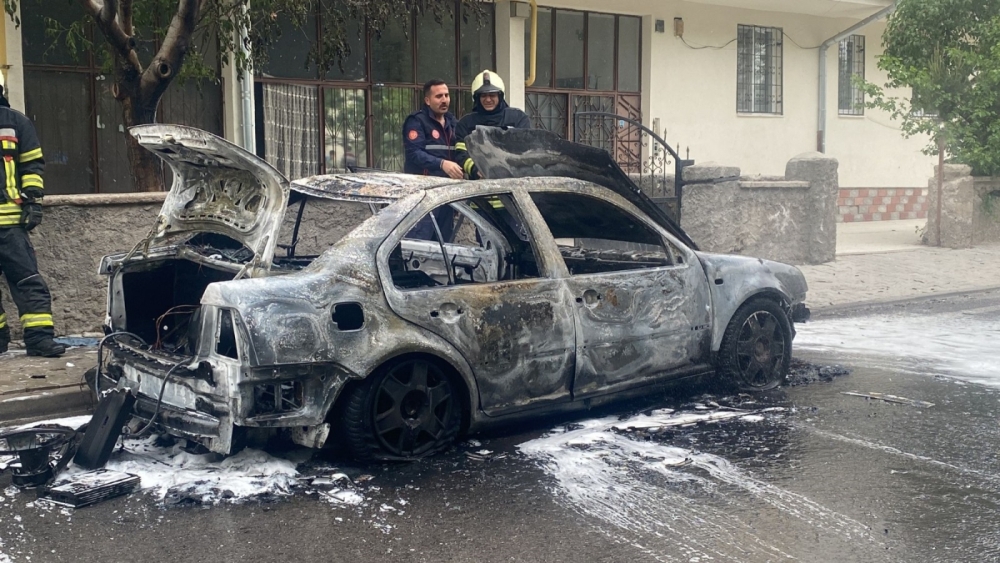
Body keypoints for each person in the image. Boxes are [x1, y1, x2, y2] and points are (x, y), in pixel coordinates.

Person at [0, 76, 64, 357]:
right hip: (11, 224)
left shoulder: (16, 123)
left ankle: (39, 340)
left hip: (11, 225)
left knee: (28, 281)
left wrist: (34, 202)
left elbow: (33, 166)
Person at [402, 79, 462, 240]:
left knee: (444, 246)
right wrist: (442, 164)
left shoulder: (453, 124)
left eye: (447, 95)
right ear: (427, 100)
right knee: (420, 246)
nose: (444, 100)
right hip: (424, 198)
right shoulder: (417, 121)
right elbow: (414, 154)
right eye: (439, 96)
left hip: (448, 197)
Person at [454, 70, 532, 180]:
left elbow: (526, 150)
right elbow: (461, 154)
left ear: (500, 96)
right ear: (476, 98)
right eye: (483, 96)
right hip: (480, 188)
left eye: (492, 95)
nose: (488, 99)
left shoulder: (518, 118)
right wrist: (477, 169)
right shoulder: (466, 123)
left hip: (512, 183)